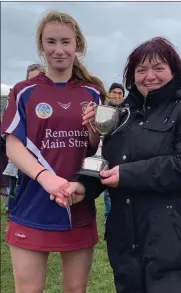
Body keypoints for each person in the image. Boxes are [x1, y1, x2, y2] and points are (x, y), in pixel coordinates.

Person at [57, 37, 181, 293]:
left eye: (159, 68)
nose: (150, 76)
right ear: (131, 74)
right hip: (128, 244)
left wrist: (128, 174)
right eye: (141, 69)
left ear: (174, 71)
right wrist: (84, 186)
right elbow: (109, 161)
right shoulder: (123, 113)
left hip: (179, 244)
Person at [1, 11, 107, 293]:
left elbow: (96, 147)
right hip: (32, 205)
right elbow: (13, 145)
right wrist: (46, 178)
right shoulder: (24, 91)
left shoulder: (92, 93)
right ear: (41, 45)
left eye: (66, 42)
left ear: (78, 46)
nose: (58, 50)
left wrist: (93, 131)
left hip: (77, 205)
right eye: (51, 42)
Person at [3, 64, 45, 222]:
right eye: (32, 80)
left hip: (45, 162)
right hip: (20, 159)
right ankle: (13, 214)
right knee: (15, 188)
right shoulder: (18, 101)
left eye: (40, 80)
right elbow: (9, 135)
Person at [104, 82, 125, 220]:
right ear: (109, 93)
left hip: (123, 157)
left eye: (120, 93)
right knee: (107, 191)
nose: (117, 96)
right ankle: (108, 217)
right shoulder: (103, 110)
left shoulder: (127, 111)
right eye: (114, 92)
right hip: (107, 156)